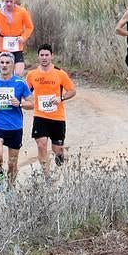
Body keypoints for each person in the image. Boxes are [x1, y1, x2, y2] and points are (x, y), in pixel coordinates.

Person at [0, 52, 32, 192]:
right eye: (1, 62)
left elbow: (32, 103)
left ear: (13, 65)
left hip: (15, 126)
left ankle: (10, 188)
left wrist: (20, 104)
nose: (4, 65)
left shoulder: (20, 83)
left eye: (7, 63)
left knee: (12, 163)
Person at [25, 44, 77, 177]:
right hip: (40, 115)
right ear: (38, 57)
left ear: (51, 56)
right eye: (41, 55)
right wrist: (23, 103)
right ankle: (46, 175)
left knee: (56, 149)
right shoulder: (32, 75)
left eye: (46, 55)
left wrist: (61, 98)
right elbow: (25, 92)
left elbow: (72, 91)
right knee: (41, 145)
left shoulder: (60, 73)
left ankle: (59, 156)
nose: (44, 57)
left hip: (57, 117)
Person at [0, 0, 34, 76]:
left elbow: (29, 27)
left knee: (19, 73)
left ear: (14, 0)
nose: (8, 4)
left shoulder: (22, 12)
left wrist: (23, 37)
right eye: (6, 1)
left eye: (11, 1)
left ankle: (18, 86)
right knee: (6, 73)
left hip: (17, 45)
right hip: (4, 46)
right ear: (4, 1)